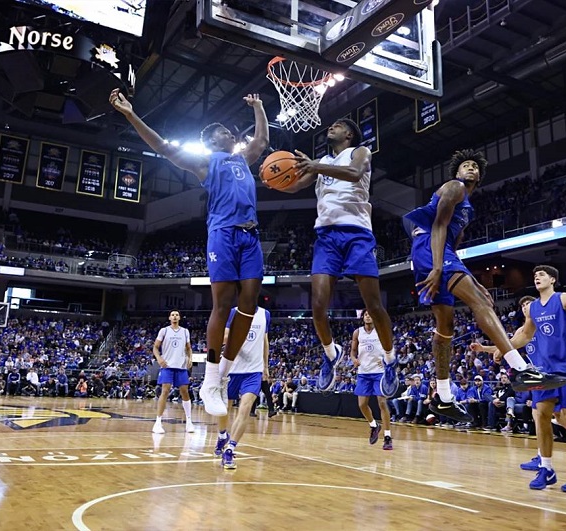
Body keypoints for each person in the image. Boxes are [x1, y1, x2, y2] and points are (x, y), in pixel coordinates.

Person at [110, 89, 270, 417]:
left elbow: (262, 142)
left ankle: (222, 372)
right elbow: (164, 147)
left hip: (250, 236)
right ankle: (211, 378)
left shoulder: (242, 159)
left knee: (250, 307)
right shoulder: (205, 162)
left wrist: (259, 107)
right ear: (212, 141)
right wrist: (130, 114)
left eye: (229, 131)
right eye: (223, 131)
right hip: (223, 235)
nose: (229, 133)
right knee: (223, 304)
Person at [403, 149, 566, 423]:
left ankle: (442, 397)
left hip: (438, 253)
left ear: (479, 176)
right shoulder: (454, 187)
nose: (470, 168)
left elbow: (453, 245)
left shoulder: (467, 209)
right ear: (457, 173)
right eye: (465, 165)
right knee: (480, 303)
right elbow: (440, 227)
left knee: (445, 328)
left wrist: (468, 276)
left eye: (474, 166)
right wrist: (437, 267)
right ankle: (520, 369)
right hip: (430, 249)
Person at [277, 119, 398, 395]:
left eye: (338, 125)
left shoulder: (360, 152)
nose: (331, 127)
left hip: (357, 234)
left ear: (349, 134)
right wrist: (272, 176)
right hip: (326, 236)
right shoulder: (320, 161)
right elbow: (294, 186)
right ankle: (331, 354)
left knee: (374, 305)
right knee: (317, 305)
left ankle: (390, 359)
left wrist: (315, 166)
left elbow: (355, 174)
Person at [487, 266, 566, 492]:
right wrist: (503, 348)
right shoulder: (533, 307)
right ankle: (546, 468)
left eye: (542, 274)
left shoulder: (565, 298)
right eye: (535, 275)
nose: (537, 277)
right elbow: (525, 335)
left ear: (553, 279)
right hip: (544, 371)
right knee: (541, 415)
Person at [215, 306, 270, 470]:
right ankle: (222, 434)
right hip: (232, 368)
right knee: (225, 409)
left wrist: (266, 366)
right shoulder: (234, 312)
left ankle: (230, 449)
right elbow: (224, 337)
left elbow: (265, 341)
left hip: (254, 370)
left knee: (245, 408)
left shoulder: (265, 314)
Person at [350, 309, 393, 450]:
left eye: (370, 314)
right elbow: (352, 351)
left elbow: (390, 348)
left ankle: (387, 437)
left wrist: (386, 360)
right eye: (366, 314)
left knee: (382, 403)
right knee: (362, 405)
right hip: (363, 372)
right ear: (363, 317)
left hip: (379, 372)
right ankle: (374, 425)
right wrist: (354, 359)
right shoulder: (357, 332)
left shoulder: (381, 330)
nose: (368, 316)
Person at [152, 310, 195, 434]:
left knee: (185, 392)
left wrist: (190, 359)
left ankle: (189, 422)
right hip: (167, 365)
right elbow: (155, 347)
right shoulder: (164, 330)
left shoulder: (185, 331)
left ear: (179, 317)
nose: (175, 316)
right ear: (169, 318)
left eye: (177, 315)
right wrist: (159, 358)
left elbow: (189, 348)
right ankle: (158, 422)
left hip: (181, 366)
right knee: (165, 391)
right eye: (173, 315)